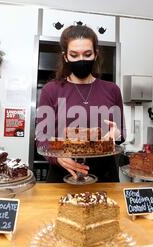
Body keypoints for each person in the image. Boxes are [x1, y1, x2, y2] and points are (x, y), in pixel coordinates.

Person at [36, 25, 125, 183]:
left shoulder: (112, 90)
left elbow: (121, 133)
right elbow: (42, 138)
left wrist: (116, 135)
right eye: (74, 55)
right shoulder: (51, 90)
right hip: (62, 175)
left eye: (87, 54)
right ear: (65, 57)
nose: (81, 60)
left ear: (95, 54)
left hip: (105, 175)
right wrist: (58, 159)